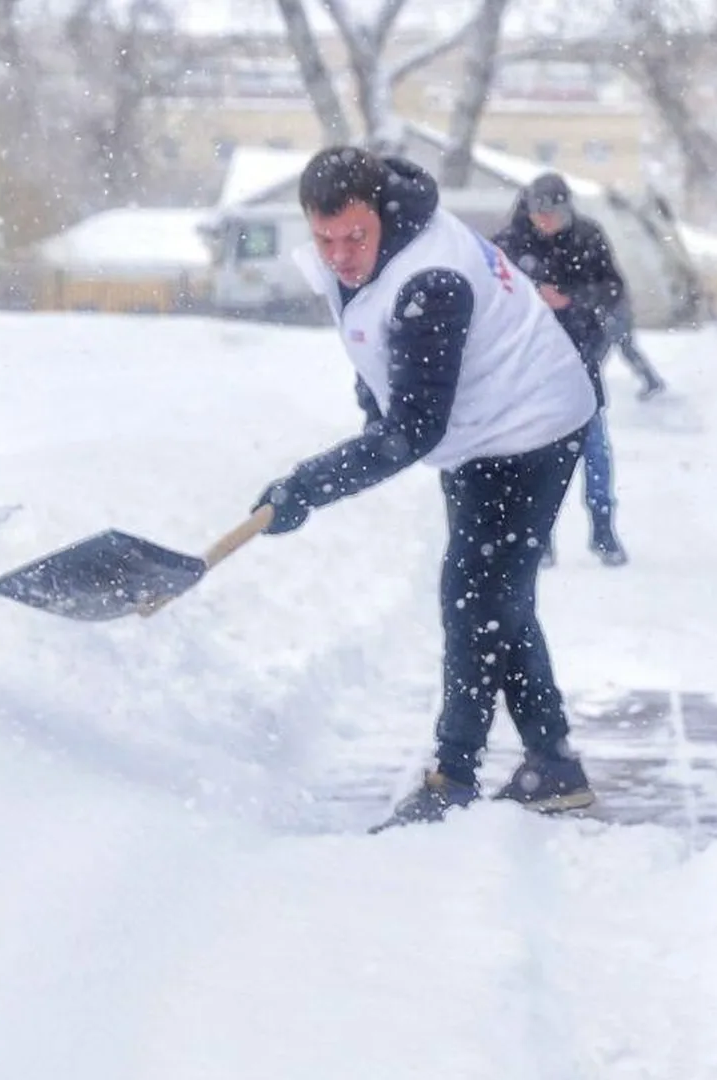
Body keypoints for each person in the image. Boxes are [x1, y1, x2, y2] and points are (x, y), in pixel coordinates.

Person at [253, 147, 601, 832]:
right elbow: (379, 354)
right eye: (325, 239)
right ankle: (552, 765)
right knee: (495, 596)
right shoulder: (375, 255)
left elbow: (411, 430)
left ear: (380, 215)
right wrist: (370, 409)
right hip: (482, 426)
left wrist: (306, 487)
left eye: (355, 237)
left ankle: (454, 776)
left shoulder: (430, 280)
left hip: (533, 425)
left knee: (475, 597)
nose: (342, 255)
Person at [491, 172, 634, 567]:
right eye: (540, 214)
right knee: (533, 454)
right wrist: (531, 301)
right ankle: (539, 536)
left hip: (579, 358)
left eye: (554, 214)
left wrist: (571, 298)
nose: (546, 222)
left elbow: (613, 289)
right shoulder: (508, 244)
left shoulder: (588, 237)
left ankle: (603, 528)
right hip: (526, 365)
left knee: (594, 449)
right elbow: (488, 295)